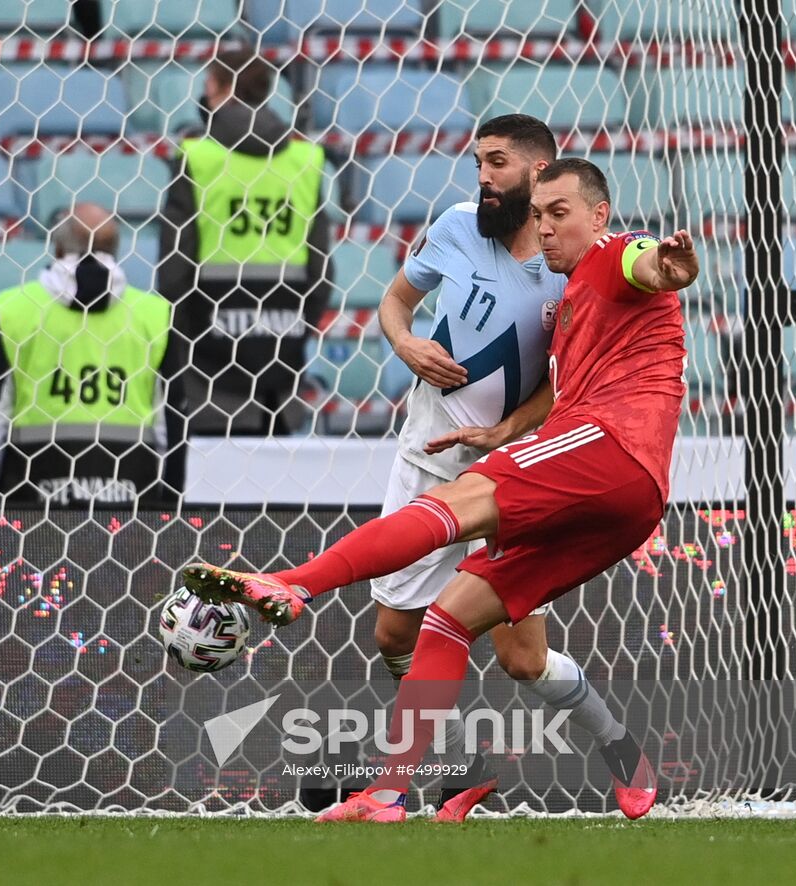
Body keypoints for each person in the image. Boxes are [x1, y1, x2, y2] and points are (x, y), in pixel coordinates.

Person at [183, 158, 699, 822]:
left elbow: (648, 262)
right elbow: (555, 382)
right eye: (539, 216)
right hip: (616, 498)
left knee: (455, 507)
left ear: (599, 216)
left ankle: (295, 583)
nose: (545, 229)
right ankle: (396, 794)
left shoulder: (612, 257)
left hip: (610, 453)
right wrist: (508, 425)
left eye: (560, 214)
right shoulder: (566, 299)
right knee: (456, 623)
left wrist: (668, 263)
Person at [355, 115, 641, 821]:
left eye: (497, 164)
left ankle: (621, 748)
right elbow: (396, 302)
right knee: (393, 633)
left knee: (522, 660)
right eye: (478, 163)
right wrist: (405, 345)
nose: (482, 178)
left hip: (509, 473)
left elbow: (565, 378)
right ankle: (463, 769)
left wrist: (509, 430)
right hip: (427, 454)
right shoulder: (455, 225)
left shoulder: (573, 264)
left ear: (539, 174)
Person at [0, 203, 187, 506]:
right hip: (131, 501)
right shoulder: (153, 315)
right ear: (117, 249)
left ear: (58, 248)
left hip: (32, 498)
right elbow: (171, 426)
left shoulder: (15, 310)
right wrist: (168, 510)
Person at [158, 48, 332, 436]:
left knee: (214, 492)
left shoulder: (197, 157)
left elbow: (173, 271)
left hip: (207, 376)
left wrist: (187, 342)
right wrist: (292, 331)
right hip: (282, 373)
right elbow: (322, 273)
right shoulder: (304, 160)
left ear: (219, 89)